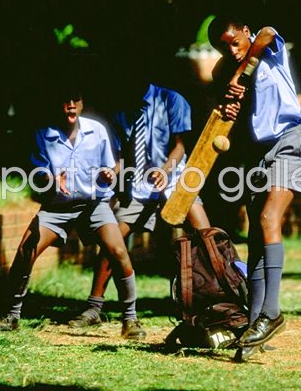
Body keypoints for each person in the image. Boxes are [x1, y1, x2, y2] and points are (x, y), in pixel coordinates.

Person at [0, 88, 144, 340]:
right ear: (57, 105)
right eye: (65, 101)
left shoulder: (96, 131)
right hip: (57, 207)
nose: (71, 105)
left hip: (93, 205)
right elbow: (38, 173)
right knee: (25, 249)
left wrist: (110, 173)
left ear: (82, 104)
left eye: (76, 100)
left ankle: (130, 320)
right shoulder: (44, 135)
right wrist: (52, 178)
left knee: (118, 251)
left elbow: (113, 164)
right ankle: (11, 315)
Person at [67, 78, 210, 334]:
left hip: (175, 180)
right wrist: (111, 172)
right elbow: (123, 156)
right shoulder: (122, 110)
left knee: (207, 237)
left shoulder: (171, 100)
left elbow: (180, 146)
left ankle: (219, 302)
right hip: (140, 187)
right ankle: (93, 308)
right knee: (112, 241)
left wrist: (166, 171)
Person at [208, 16, 301, 361]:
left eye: (233, 40)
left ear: (243, 31)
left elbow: (268, 32)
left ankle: (271, 313)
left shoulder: (268, 52)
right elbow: (216, 82)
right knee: (256, 233)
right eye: (223, 46)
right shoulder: (229, 72)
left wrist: (240, 73)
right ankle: (255, 325)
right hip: (258, 152)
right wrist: (230, 94)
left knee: (270, 218)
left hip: (290, 142)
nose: (231, 48)